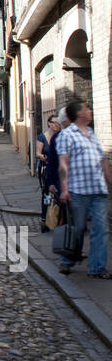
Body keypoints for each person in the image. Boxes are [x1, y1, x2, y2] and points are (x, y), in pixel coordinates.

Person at [57, 101, 112, 279]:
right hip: (77, 191)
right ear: (79, 114)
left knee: (101, 229)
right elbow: (63, 163)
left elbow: (103, 161)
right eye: (86, 108)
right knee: (78, 229)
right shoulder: (67, 135)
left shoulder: (93, 134)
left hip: (98, 191)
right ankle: (67, 260)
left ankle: (96, 268)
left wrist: (109, 180)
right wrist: (64, 189)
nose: (90, 110)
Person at [38, 115, 60, 233]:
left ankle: (57, 219)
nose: (56, 125)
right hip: (46, 169)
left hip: (58, 170)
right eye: (54, 122)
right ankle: (45, 218)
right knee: (47, 194)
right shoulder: (42, 137)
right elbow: (37, 152)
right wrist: (43, 157)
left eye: (58, 122)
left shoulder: (60, 136)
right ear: (49, 123)